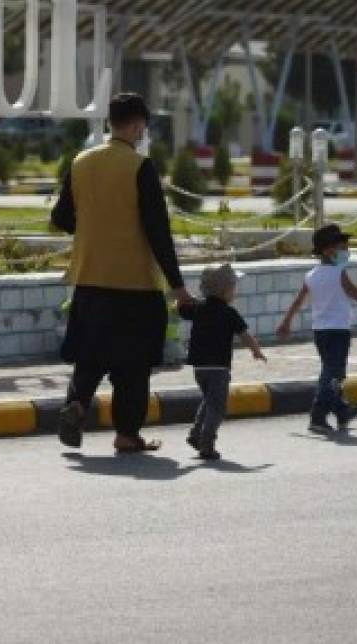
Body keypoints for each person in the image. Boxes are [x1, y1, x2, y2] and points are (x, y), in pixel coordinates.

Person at [50, 93, 194, 454]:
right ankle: (127, 434)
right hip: (135, 284)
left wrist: (96, 225)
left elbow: (61, 218)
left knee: (90, 354)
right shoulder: (139, 167)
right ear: (135, 125)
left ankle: (78, 403)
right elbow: (157, 231)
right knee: (134, 365)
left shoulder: (81, 162)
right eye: (143, 125)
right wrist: (178, 286)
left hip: (89, 278)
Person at [277, 223, 357, 433]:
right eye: (341, 247)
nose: (345, 252)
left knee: (331, 372)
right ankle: (317, 416)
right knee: (333, 375)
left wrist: (286, 322)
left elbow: (298, 301)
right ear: (327, 250)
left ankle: (342, 411)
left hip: (320, 332)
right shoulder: (338, 273)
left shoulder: (311, 275)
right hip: (339, 331)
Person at [180, 263, 267, 461]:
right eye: (233, 287)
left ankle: (196, 434)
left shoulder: (199, 308)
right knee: (217, 408)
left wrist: (188, 298)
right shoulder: (229, 313)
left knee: (209, 401)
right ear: (225, 290)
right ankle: (207, 444)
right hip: (219, 368)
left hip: (199, 367)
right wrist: (256, 351)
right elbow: (245, 335)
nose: (234, 292)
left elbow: (182, 308)